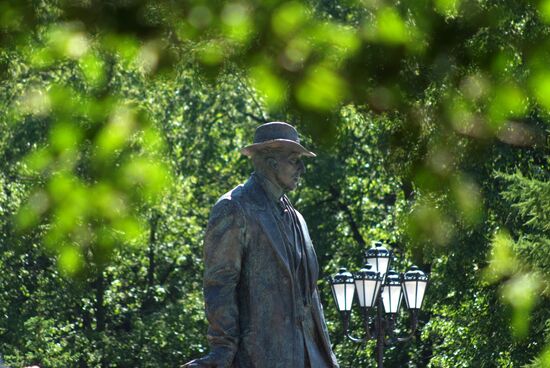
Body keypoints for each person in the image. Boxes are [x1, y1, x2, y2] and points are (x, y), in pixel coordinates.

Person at [182, 122, 339, 368]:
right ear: (270, 160)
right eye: (294, 160)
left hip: (310, 356)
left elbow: (310, 298)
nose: (302, 169)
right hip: (261, 356)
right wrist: (223, 349)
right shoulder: (235, 207)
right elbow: (219, 286)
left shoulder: (297, 218)